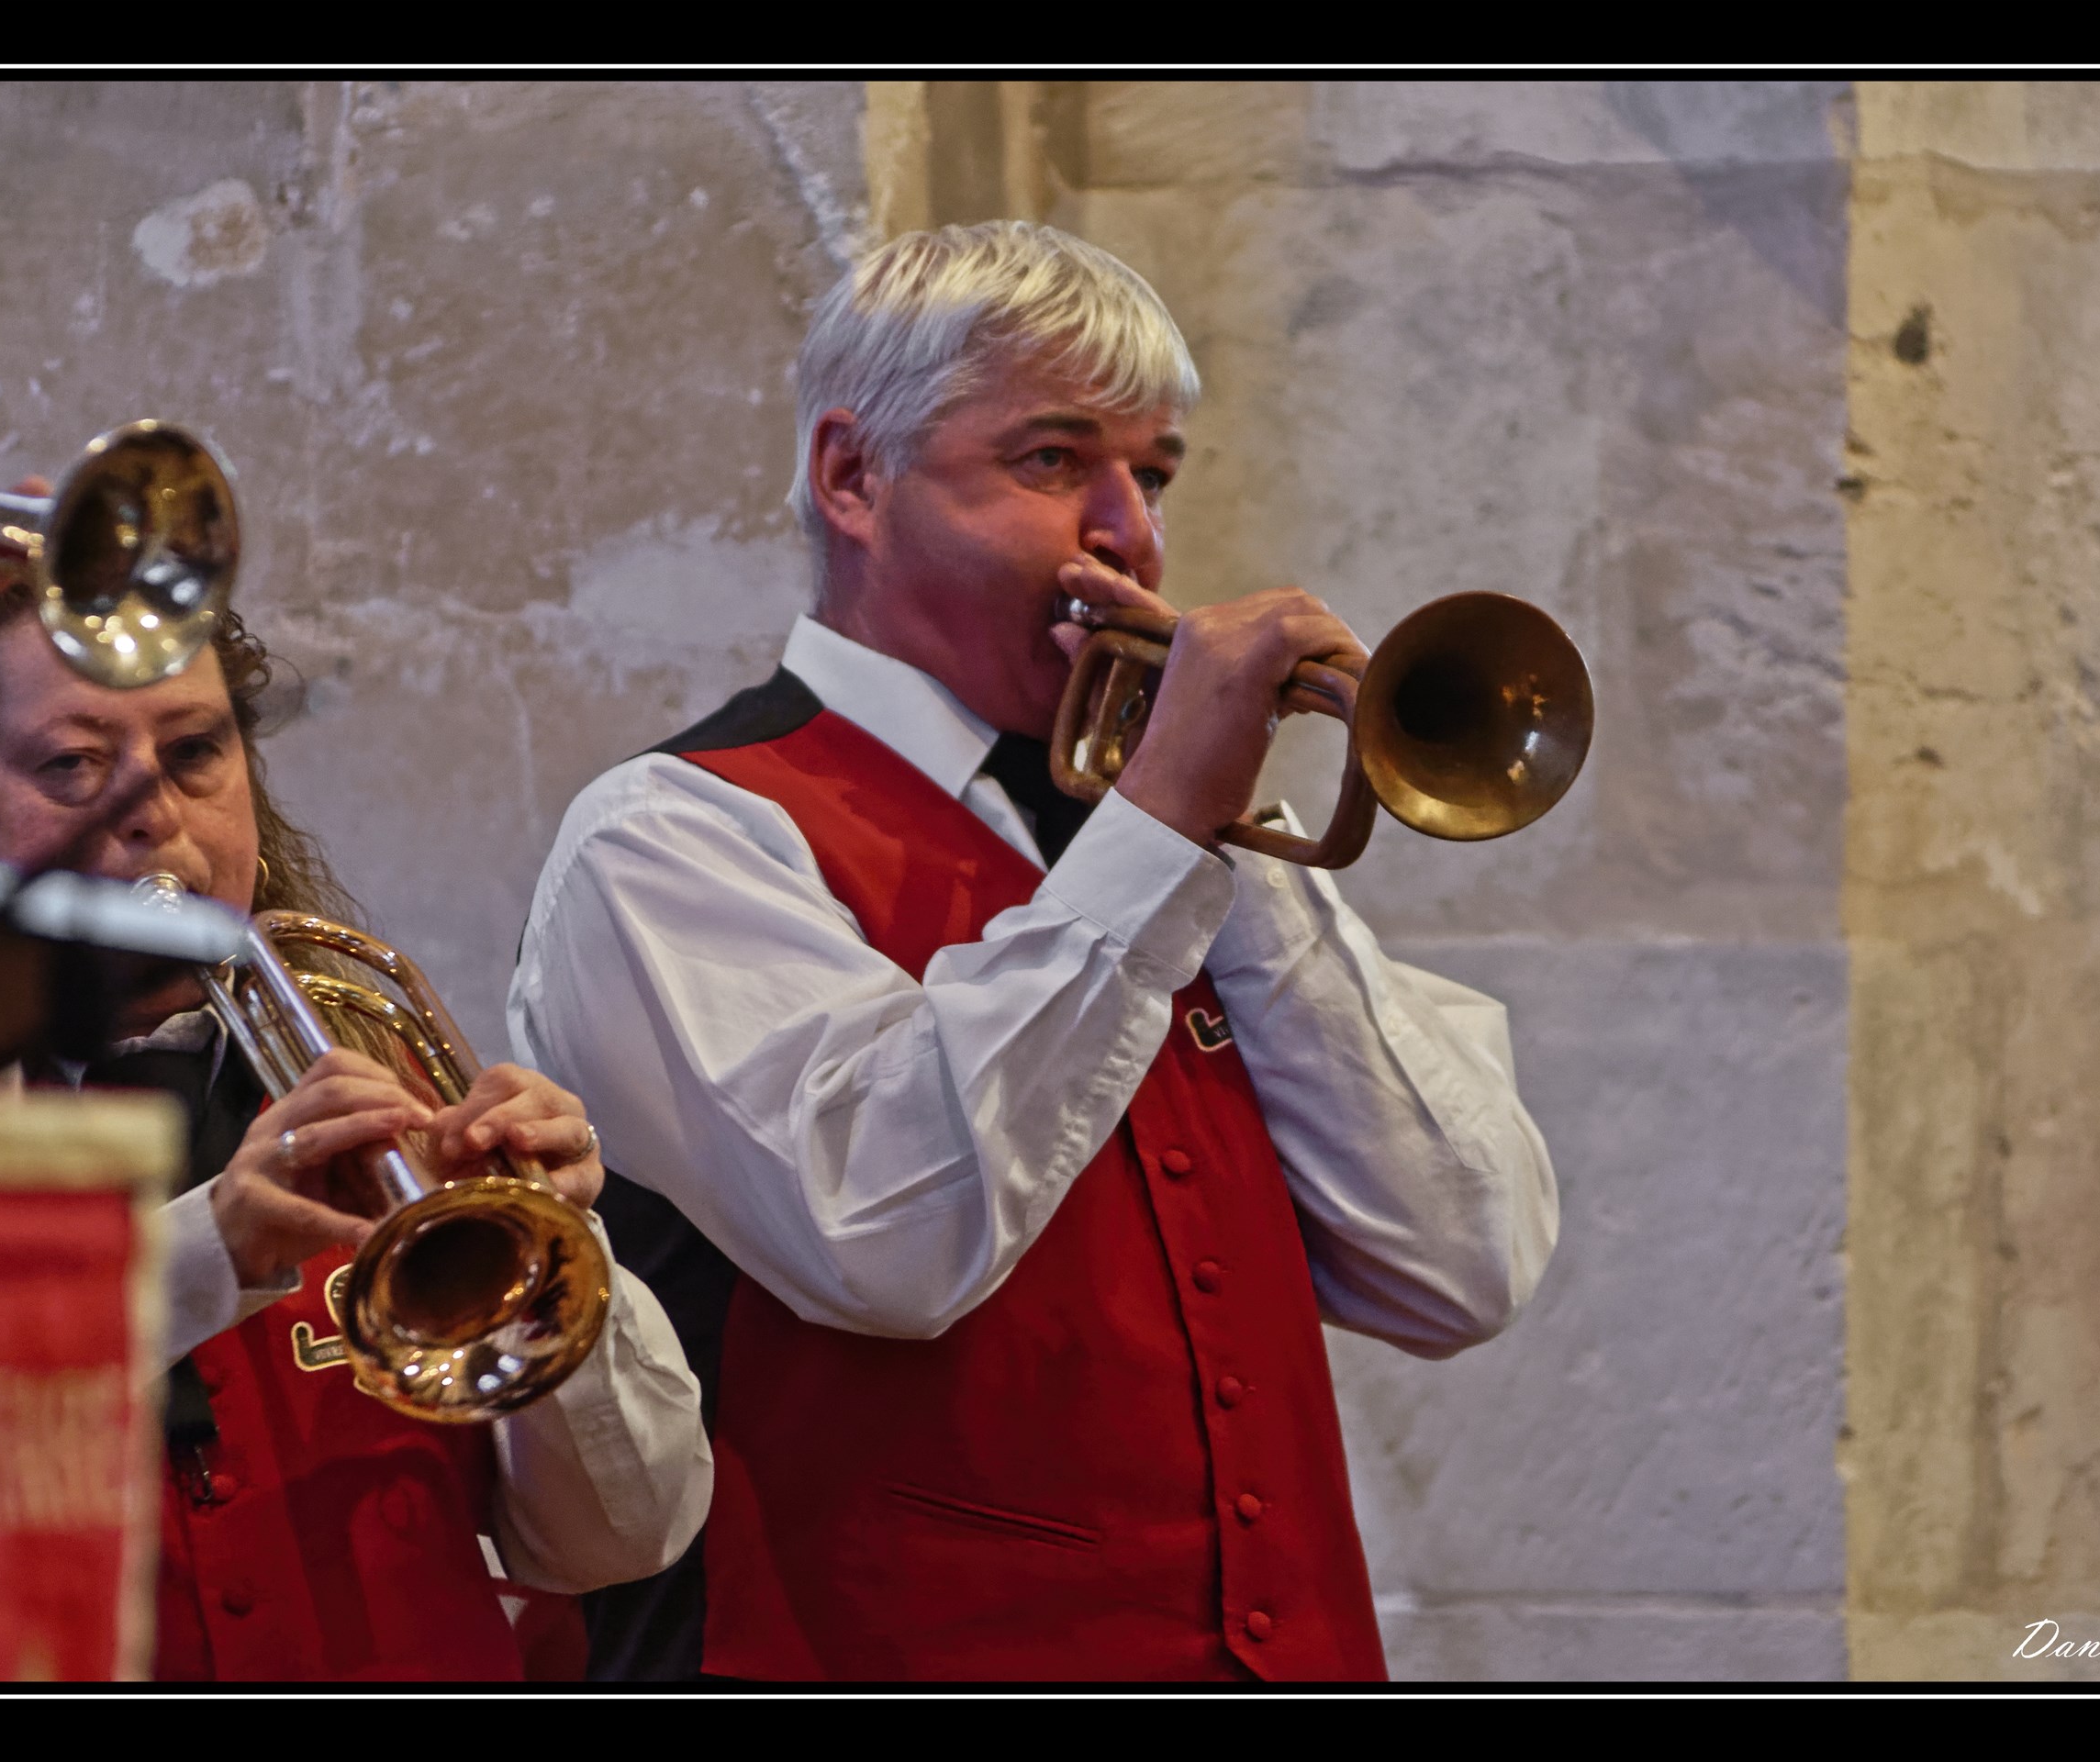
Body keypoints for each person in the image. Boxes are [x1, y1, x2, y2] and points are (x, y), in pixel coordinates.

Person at [509, 223, 1558, 1682]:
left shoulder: (1164, 849)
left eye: (1155, 474)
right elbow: (888, 1238)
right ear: (852, 478)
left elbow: (1458, 1267)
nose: (1126, 532)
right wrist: (1164, 823)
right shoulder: (678, 834)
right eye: (1053, 460)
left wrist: (1231, 842)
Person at [0, 366, 713, 1681]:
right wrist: (212, 1246)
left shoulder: (376, 1069)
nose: (155, 811)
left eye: (195, 753)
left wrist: (552, 1264)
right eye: (72, 765)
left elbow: (620, 1536)